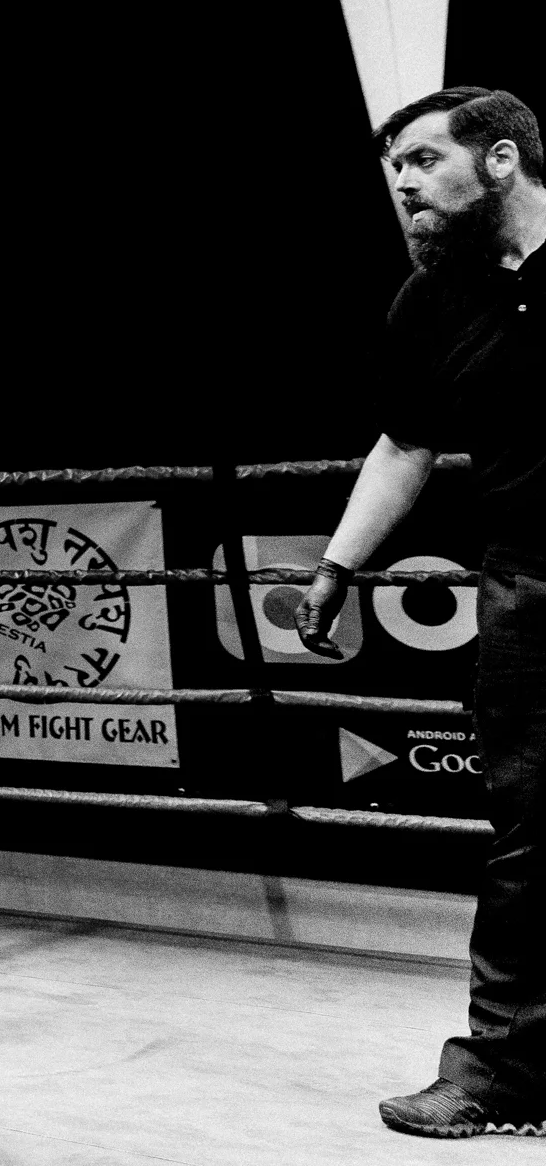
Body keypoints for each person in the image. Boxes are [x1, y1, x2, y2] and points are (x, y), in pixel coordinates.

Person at [292, 86, 546, 1139]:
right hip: (530, 581)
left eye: (422, 160)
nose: (402, 184)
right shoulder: (429, 299)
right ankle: (506, 1074)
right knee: (533, 833)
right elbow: (406, 442)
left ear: (500, 160)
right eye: (393, 168)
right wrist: (337, 562)